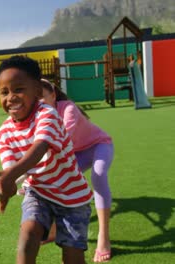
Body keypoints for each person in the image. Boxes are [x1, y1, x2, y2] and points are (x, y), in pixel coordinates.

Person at [0, 55, 93, 264]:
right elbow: (12, 172)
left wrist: (11, 174)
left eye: (19, 89)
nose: (11, 97)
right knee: (28, 236)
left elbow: (39, 148)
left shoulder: (47, 114)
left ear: (36, 90)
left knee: (72, 255)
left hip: (72, 196)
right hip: (38, 191)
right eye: (4, 92)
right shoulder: (4, 133)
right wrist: (7, 187)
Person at [40, 79, 113, 263]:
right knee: (54, 181)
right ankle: (55, 228)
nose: (38, 102)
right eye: (34, 99)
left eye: (42, 97)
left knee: (98, 176)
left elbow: (64, 138)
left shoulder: (68, 108)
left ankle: (104, 238)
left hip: (98, 145)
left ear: (53, 95)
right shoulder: (38, 116)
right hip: (74, 153)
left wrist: (39, 167)